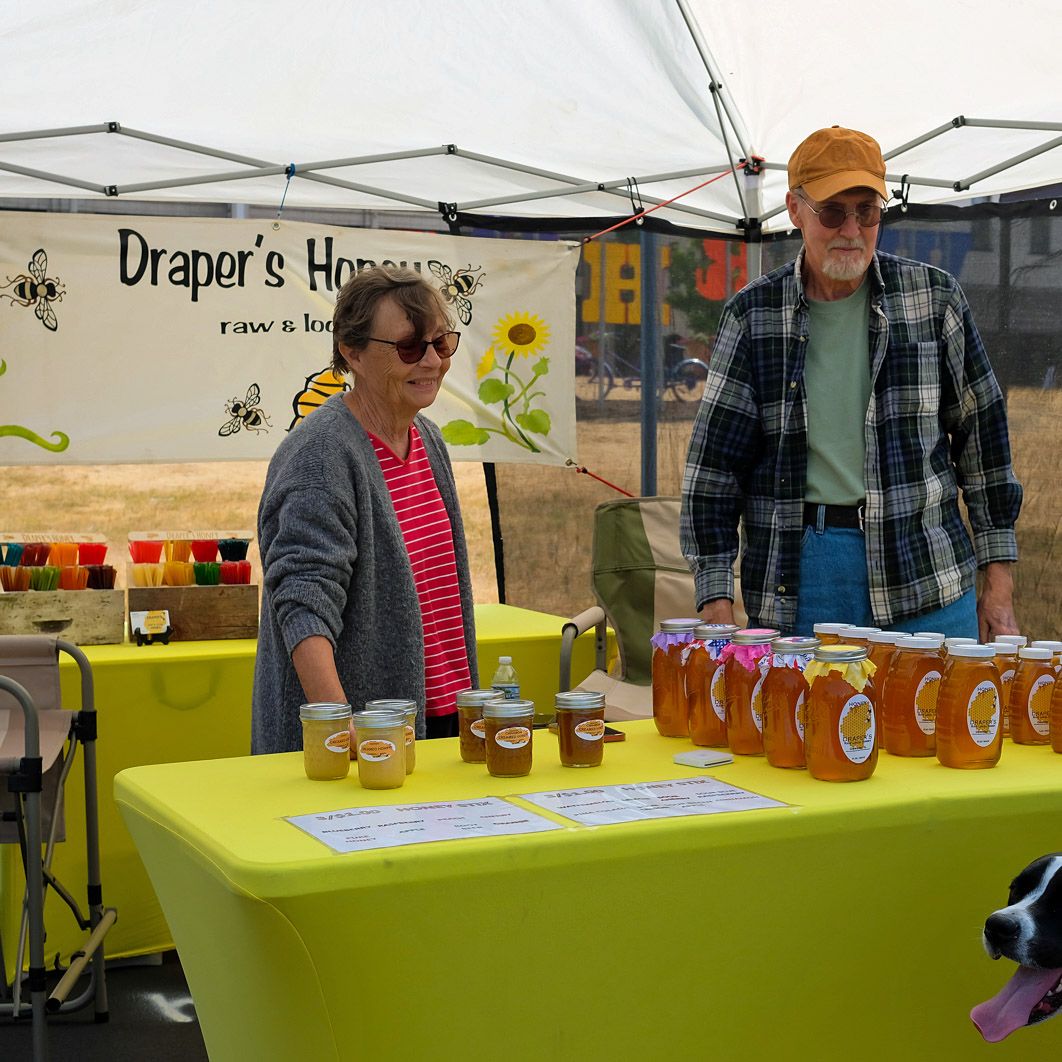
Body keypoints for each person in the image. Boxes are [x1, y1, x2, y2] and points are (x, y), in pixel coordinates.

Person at [681, 125, 1022, 641]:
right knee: (808, 722)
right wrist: (715, 597)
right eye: (833, 212)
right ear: (795, 211)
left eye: (867, 211)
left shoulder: (935, 299)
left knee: (933, 723)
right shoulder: (753, 315)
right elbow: (714, 474)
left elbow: (985, 444)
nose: (851, 229)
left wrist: (998, 585)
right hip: (802, 575)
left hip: (928, 570)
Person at [252, 265, 477, 753]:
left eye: (441, 343)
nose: (432, 362)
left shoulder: (428, 438)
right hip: (358, 745)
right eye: (409, 348)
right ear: (352, 352)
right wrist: (341, 731)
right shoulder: (321, 455)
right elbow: (303, 604)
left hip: (433, 724)